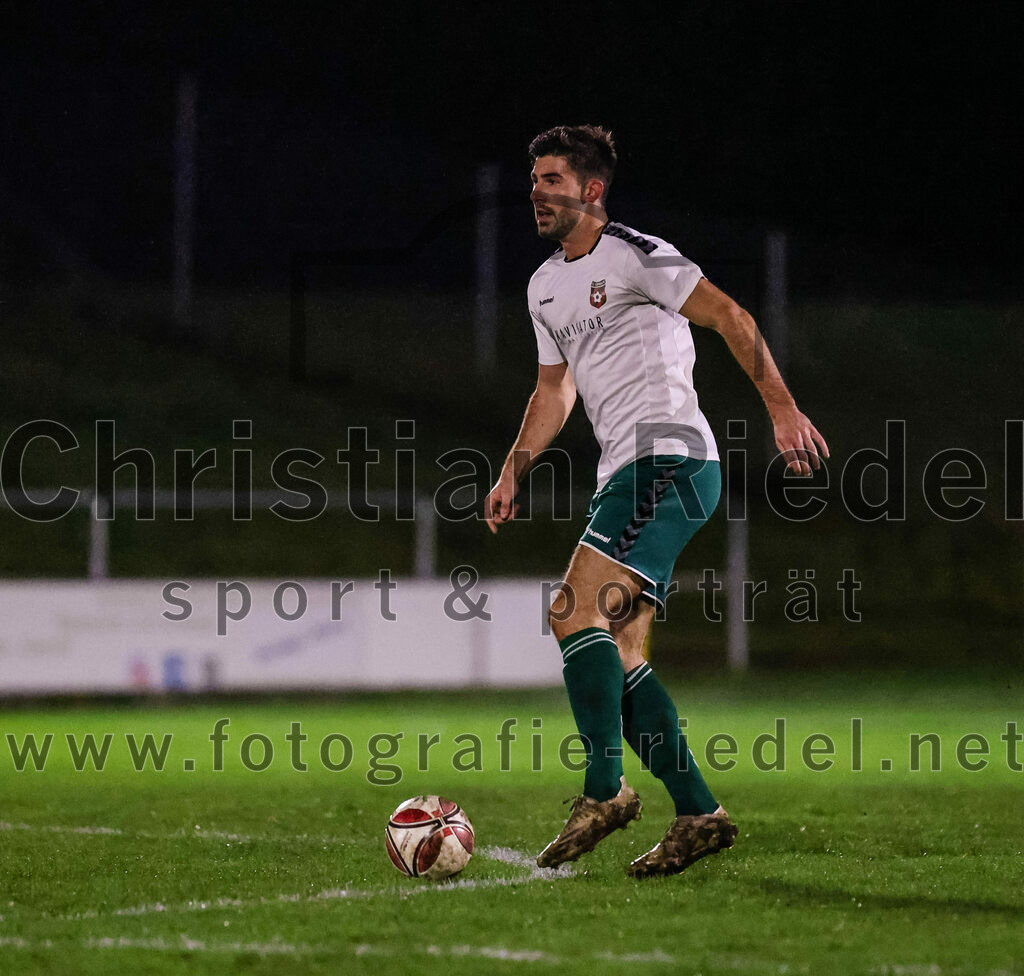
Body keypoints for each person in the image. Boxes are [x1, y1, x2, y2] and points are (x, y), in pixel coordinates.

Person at [485, 124, 829, 878]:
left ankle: (604, 792)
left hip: (668, 456)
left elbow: (731, 316)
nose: (536, 192)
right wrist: (514, 469)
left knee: (573, 611)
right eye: (534, 179)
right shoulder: (545, 286)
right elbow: (554, 389)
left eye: (552, 180)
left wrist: (781, 408)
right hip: (628, 471)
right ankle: (699, 813)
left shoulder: (636, 253)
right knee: (624, 646)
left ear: (592, 190)